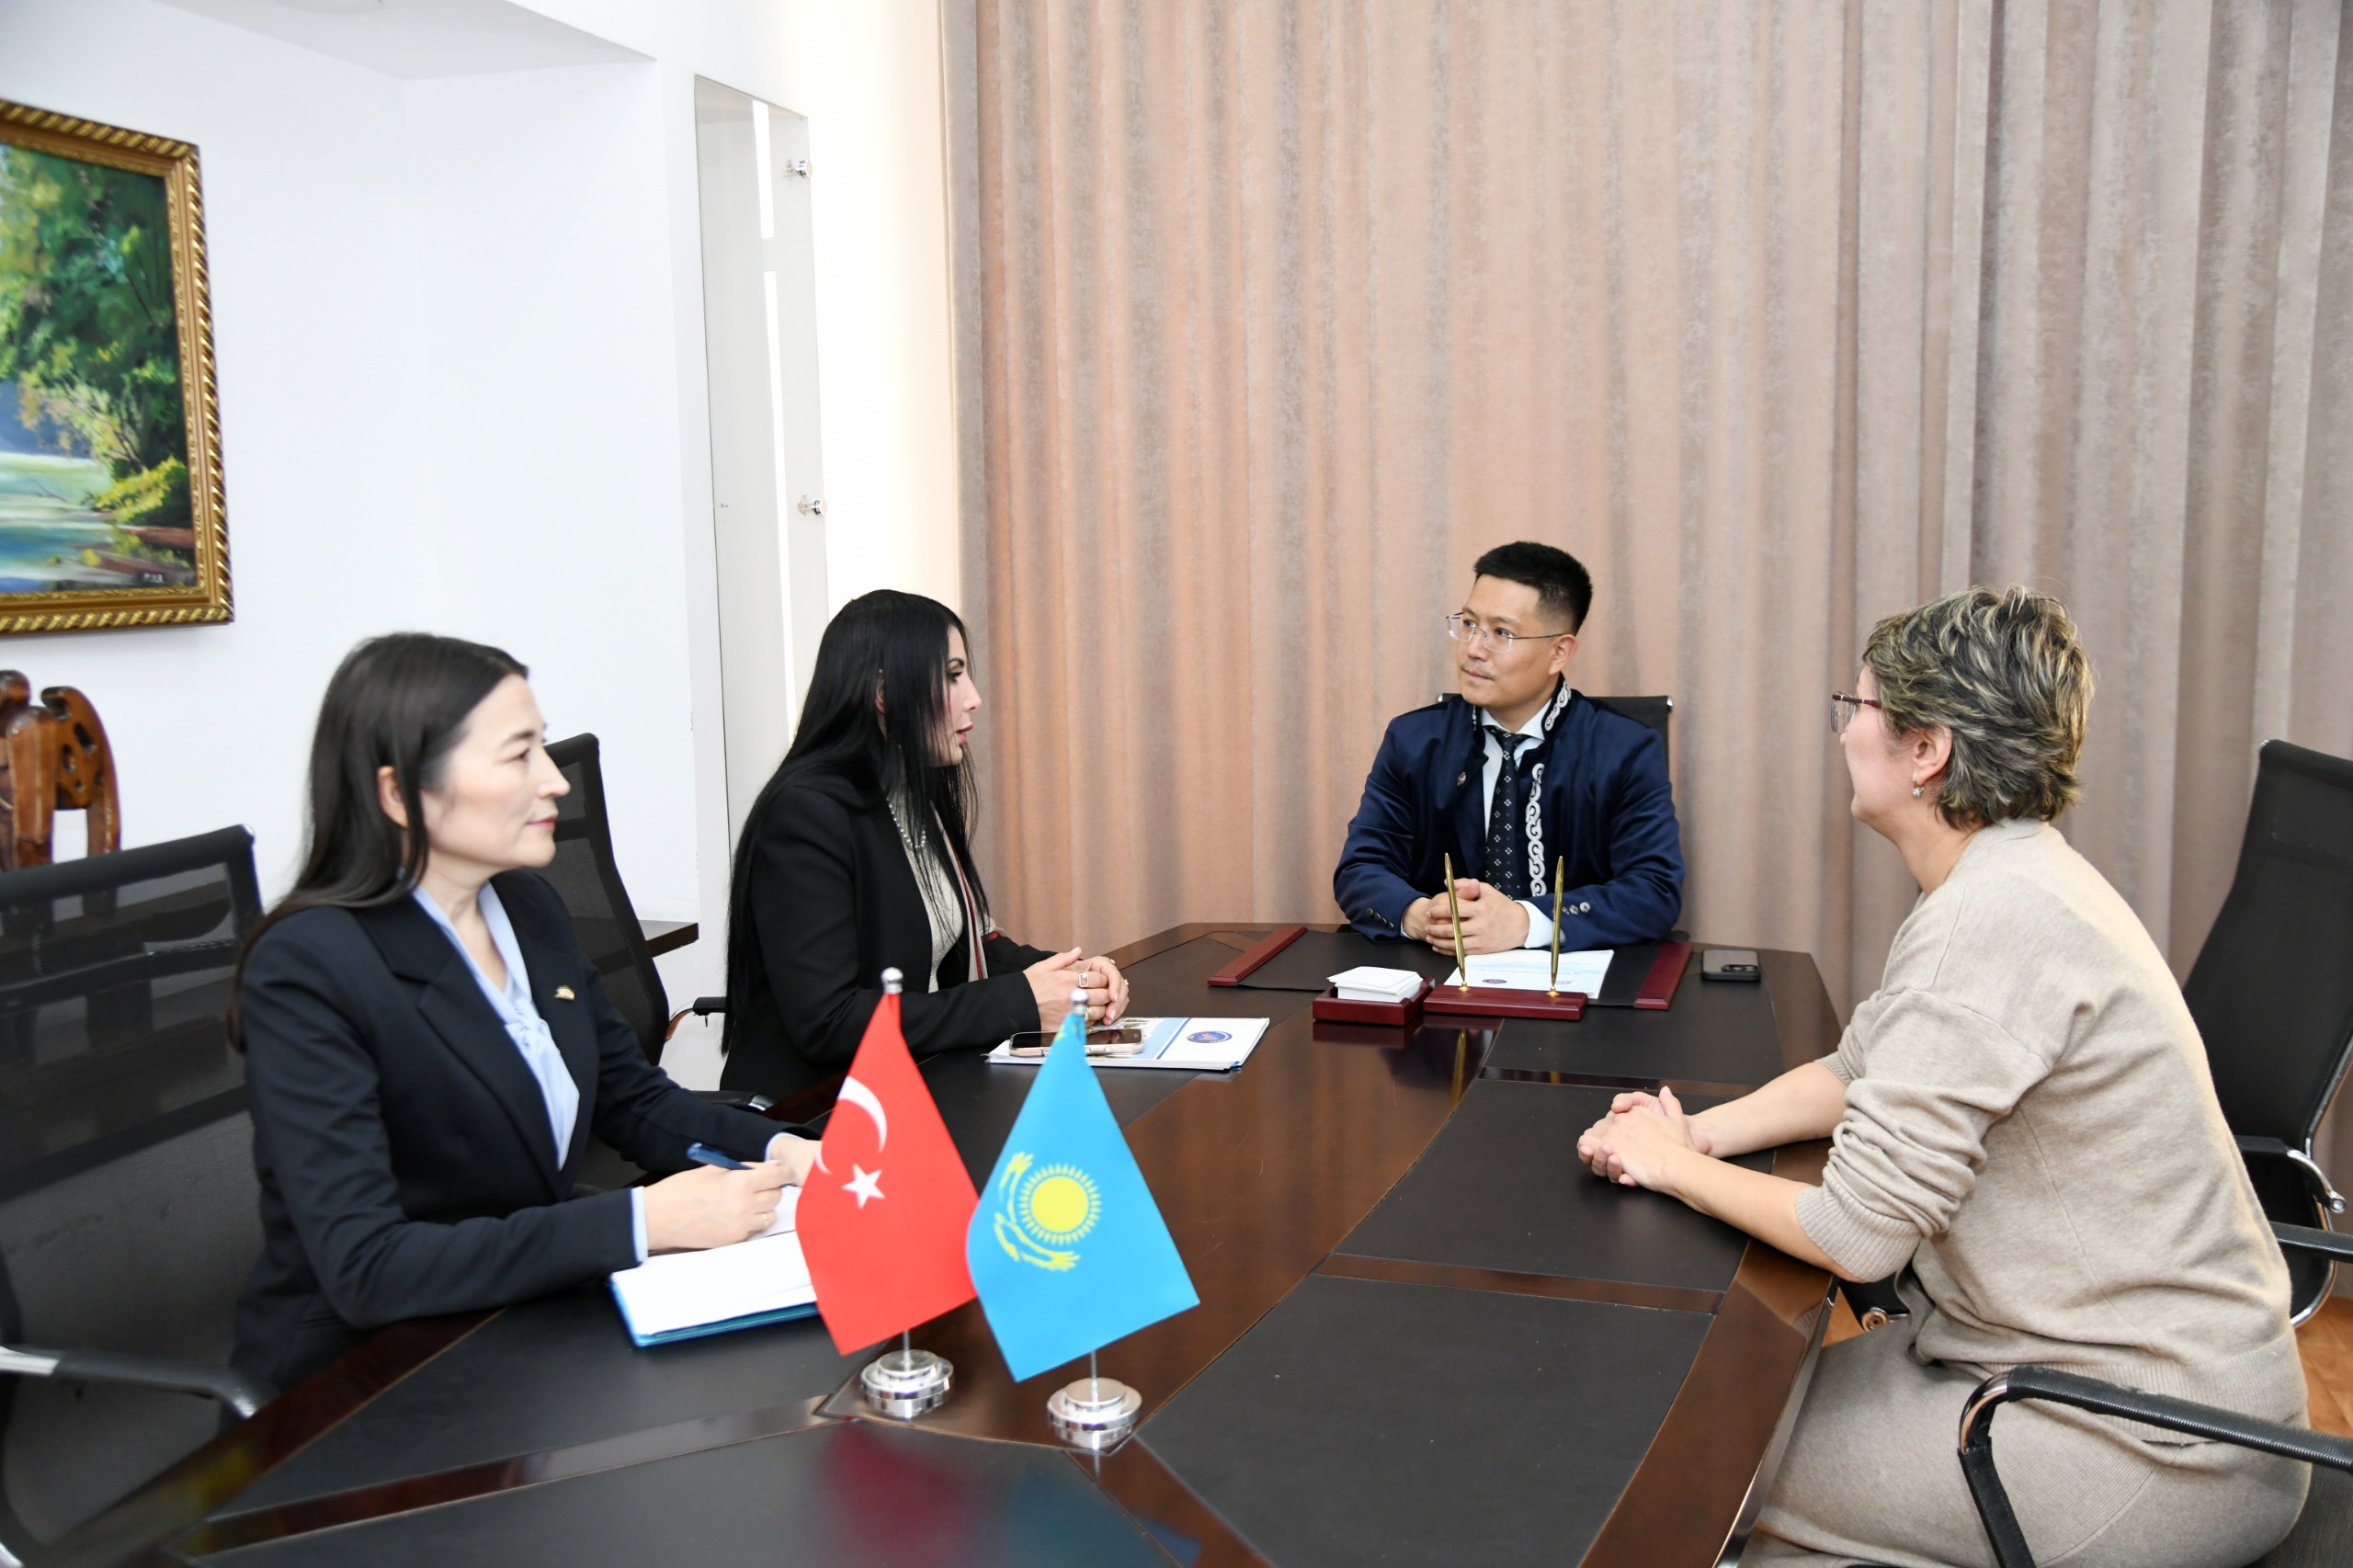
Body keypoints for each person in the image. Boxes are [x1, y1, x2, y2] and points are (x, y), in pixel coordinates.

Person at [1576, 588, 2306, 1567]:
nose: (1844, 733)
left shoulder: (1988, 919)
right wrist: (1699, 1132)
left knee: (1678, 1456)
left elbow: (1855, 1232)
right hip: (2071, 1374)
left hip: (2150, 1444)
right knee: (1719, 1435)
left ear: (1926, 751)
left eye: (1858, 706)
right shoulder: (2008, 876)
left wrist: (1668, 1167)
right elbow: (1860, 1065)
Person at [233, 634, 818, 1396]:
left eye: (543, 747)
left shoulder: (526, 906)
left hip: (522, 1321)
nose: (555, 782)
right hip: (362, 1382)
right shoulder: (308, 967)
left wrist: (789, 1151)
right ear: (399, 794)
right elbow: (368, 1268)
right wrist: (642, 1223)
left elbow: (634, 1101)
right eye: (519, 755)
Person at [719, 589, 1128, 1099]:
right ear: (884, 693)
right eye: (953, 675)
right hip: (815, 1111)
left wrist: (1076, 978)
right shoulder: (805, 813)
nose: (973, 697)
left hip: (914, 1081)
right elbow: (829, 1021)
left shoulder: (914, 794)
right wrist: (1020, 1002)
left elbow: (965, 947)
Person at [1333, 540, 1683, 956]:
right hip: (1441, 971)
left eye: (1502, 633)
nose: (1472, 649)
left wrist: (1526, 922)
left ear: (1559, 652)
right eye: (1469, 624)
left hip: (1572, 979)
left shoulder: (1625, 749)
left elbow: (1654, 890)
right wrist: (1422, 916)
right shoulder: (1414, 740)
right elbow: (1361, 868)